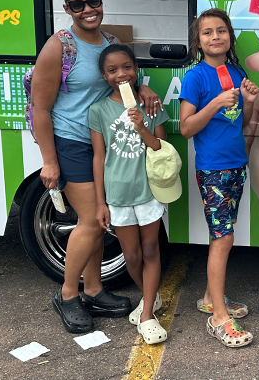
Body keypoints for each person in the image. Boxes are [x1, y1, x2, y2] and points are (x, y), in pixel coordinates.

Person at [31, 0, 162, 333]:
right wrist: (49, 160)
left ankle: (93, 289)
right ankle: (68, 294)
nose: (88, 9)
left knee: (97, 224)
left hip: (107, 140)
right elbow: (40, 107)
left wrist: (145, 85)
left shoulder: (111, 42)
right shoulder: (60, 46)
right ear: (67, 10)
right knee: (91, 220)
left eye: (94, 1)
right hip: (72, 142)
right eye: (78, 5)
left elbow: (126, 77)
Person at [178, 8, 259, 348]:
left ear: (229, 37)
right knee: (222, 238)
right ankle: (218, 318)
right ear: (198, 41)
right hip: (212, 169)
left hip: (236, 165)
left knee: (224, 233)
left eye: (221, 31)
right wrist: (214, 103)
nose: (216, 36)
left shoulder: (235, 71)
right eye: (208, 32)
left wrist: (251, 102)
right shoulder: (195, 77)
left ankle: (212, 299)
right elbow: (185, 128)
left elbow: (239, 123)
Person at [89, 44, 174, 344]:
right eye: (112, 70)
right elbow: (99, 157)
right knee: (132, 255)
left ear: (136, 69)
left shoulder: (151, 106)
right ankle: (150, 296)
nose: (120, 74)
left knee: (151, 250)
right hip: (117, 193)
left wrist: (141, 126)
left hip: (148, 190)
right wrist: (100, 202)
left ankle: (148, 312)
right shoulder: (98, 110)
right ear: (104, 75)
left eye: (126, 67)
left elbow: (160, 150)